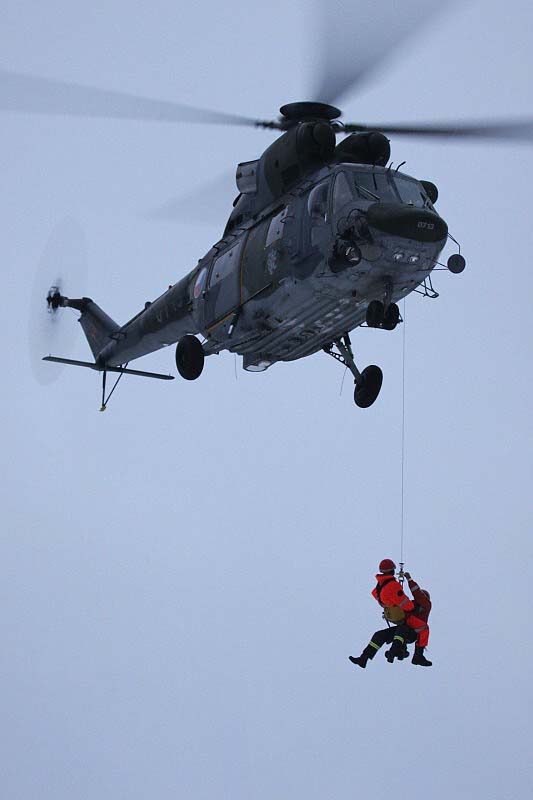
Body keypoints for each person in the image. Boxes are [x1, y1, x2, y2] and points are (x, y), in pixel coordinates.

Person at [348, 559, 432, 668]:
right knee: (379, 635)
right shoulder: (413, 604)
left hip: (412, 633)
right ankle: (363, 658)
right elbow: (400, 602)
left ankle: (400, 652)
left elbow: (416, 593)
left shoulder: (425, 604)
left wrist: (409, 579)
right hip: (402, 631)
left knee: (402, 630)